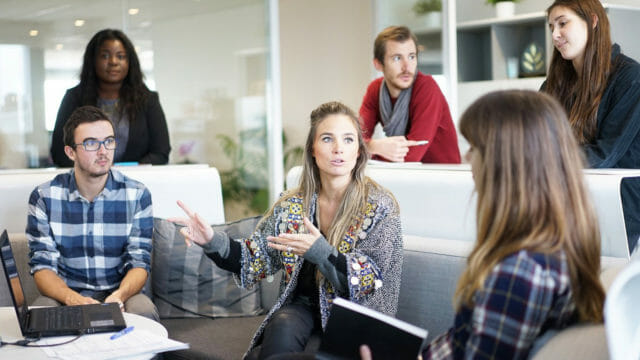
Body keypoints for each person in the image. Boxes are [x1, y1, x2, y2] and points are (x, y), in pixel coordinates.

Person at [359, 90, 605, 359]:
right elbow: (465, 339)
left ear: (504, 163)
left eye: (474, 148)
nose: (467, 158)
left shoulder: (520, 272)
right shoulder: (554, 246)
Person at [170, 101, 403, 359]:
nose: (338, 148)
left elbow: (370, 279)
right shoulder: (292, 204)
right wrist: (212, 240)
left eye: (348, 140)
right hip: (302, 307)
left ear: (359, 150)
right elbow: (254, 257)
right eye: (327, 139)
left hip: (356, 312)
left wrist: (320, 252)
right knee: (280, 328)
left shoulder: (380, 206)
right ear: (313, 150)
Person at [27, 106, 158, 321]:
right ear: (71, 152)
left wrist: (119, 296)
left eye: (109, 141)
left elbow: (139, 262)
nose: (103, 151)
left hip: (121, 295)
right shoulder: (44, 197)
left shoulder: (137, 195)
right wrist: (73, 299)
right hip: (65, 296)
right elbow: (42, 267)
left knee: (143, 310)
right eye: (90, 143)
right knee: (39, 313)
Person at [542, 0, 640, 253]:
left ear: (592, 21)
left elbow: (605, 154)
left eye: (563, 23)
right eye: (551, 26)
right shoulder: (554, 84)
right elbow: (534, 139)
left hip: (617, 206)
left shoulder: (630, 77)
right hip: (565, 199)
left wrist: (537, 162)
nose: (555, 34)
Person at [50, 29, 170, 167]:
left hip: (135, 182)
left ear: (130, 61)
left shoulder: (148, 100)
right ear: (93, 60)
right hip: (87, 184)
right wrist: (96, 170)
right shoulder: (74, 98)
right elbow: (59, 153)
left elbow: (161, 153)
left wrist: (129, 172)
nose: (113, 62)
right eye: (105, 56)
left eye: (121, 56)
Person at [359, 26, 460, 164]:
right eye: (397, 58)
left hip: (442, 177)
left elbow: (411, 156)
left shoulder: (426, 87)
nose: (407, 67)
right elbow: (354, 141)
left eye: (411, 57)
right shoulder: (375, 90)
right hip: (404, 175)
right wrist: (374, 146)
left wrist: (368, 149)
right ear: (378, 64)